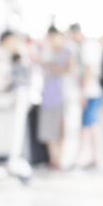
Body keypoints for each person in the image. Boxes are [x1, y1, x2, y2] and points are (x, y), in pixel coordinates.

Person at [70, 24, 103, 170]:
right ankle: (95, 157)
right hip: (96, 91)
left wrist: (82, 93)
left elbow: (89, 70)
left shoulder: (87, 47)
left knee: (85, 126)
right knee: (92, 126)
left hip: (91, 92)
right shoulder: (94, 45)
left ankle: (77, 160)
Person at [38, 26, 72, 170]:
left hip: (62, 93)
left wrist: (52, 68)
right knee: (48, 126)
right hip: (47, 93)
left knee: (61, 127)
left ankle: (60, 156)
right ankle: (53, 157)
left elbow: (69, 70)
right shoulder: (45, 52)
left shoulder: (67, 52)